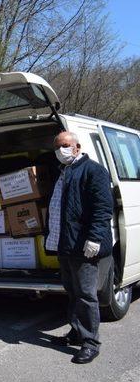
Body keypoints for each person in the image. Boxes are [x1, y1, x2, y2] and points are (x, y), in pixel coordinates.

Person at [46, 131, 114, 364]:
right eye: (57, 147)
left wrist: (94, 239)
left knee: (86, 295)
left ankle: (90, 343)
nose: (60, 150)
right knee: (73, 292)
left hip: (83, 245)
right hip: (66, 245)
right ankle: (76, 332)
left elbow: (103, 208)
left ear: (77, 147)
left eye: (65, 145)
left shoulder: (93, 171)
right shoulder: (65, 171)